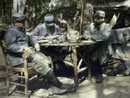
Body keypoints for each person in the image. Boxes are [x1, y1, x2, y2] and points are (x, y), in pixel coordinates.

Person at [4, 13, 74, 94]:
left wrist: (35, 43)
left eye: (24, 21)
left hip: (27, 56)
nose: (23, 23)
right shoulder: (11, 32)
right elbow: (9, 46)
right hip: (18, 59)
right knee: (41, 64)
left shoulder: (21, 30)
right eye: (21, 21)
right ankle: (59, 85)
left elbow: (30, 38)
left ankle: (52, 85)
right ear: (15, 22)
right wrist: (23, 48)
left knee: (47, 60)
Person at [83, 10, 111, 83]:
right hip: (91, 46)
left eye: (100, 18)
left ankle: (98, 75)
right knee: (82, 51)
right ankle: (87, 72)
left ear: (103, 19)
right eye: (97, 18)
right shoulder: (92, 25)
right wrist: (85, 34)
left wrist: (91, 36)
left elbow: (105, 37)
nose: (98, 19)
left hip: (101, 48)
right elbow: (87, 32)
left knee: (94, 57)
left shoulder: (106, 26)